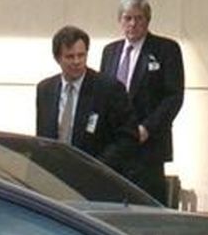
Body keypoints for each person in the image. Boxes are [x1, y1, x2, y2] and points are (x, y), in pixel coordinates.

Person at [99, 0, 185, 204]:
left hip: (148, 147)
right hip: (115, 147)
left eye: (139, 18)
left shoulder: (166, 49)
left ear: (147, 20)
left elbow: (173, 96)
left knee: (146, 209)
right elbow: (102, 94)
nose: (133, 24)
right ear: (120, 20)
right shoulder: (110, 51)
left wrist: (147, 128)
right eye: (128, 18)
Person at [36, 25, 140, 181]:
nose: (77, 62)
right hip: (55, 179)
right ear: (58, 58)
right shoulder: (46, 89)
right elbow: (42, 138)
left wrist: (96, 167)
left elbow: (128, 137)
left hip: (97, 178)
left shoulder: (108, 89)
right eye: (70, 57)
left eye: (81, 55)